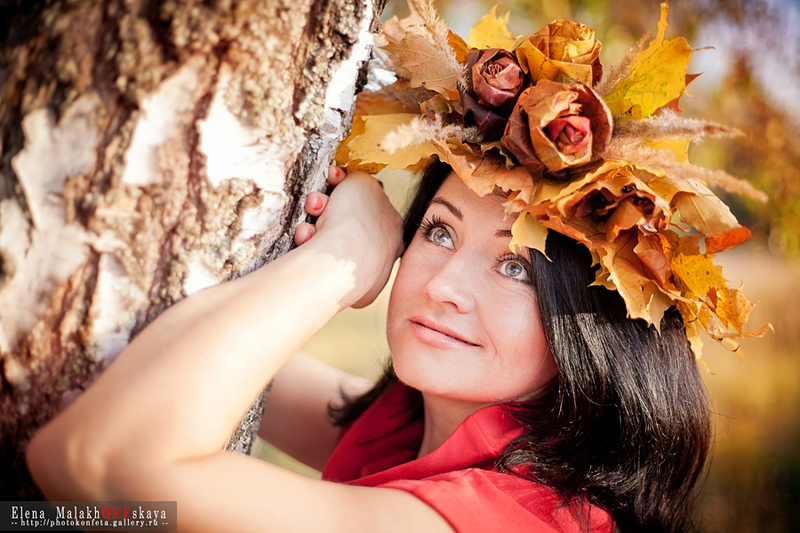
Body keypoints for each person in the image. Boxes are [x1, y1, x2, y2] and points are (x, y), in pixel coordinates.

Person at [26, 159, 711, 533]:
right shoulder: (415, 425)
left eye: (515, 267)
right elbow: (199, 359)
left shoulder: (515, 520)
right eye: (437, 231)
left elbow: (94, 462)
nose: (441, 284)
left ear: (595, 327)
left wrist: (345, 257)